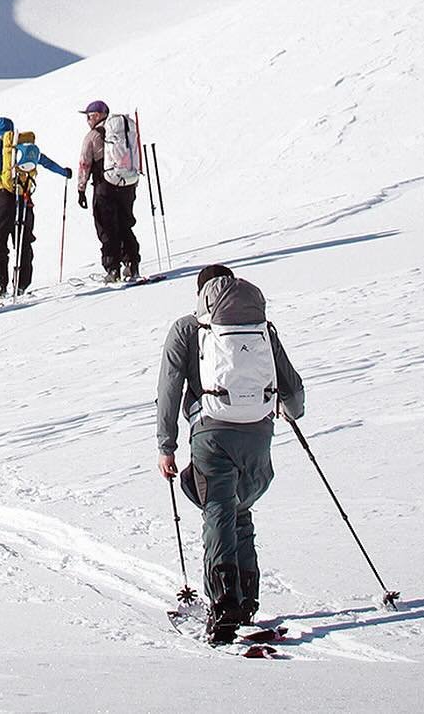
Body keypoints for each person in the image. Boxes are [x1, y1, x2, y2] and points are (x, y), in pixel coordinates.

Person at [156, 265, 305, 644]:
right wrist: (290, 410)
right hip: (259, 431)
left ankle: (224, 605)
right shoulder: (259, 328)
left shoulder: (188, 329)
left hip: (213, 431)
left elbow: (170, 389)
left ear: (201, 293)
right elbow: (292, 386)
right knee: (239, 510)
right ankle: (247, 598)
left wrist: (166, 445)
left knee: (218, 510)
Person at [0, 117, 71, 296]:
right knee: (23, 241)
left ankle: (0, 285)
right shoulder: (24, 147)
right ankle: (21, 284)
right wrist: (64, 172)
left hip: (4, 197)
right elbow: (44, 161)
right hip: (25, 197)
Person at [76, 99, 141, 281]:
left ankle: (112, 269)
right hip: (127, 184)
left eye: (89, 117)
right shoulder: (124, 132)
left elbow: (84, 163)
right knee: (125, 225)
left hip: (104, 187)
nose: (88, 121)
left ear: (97, 115)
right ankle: (132, 264)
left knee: (107, 228)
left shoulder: (93, 136)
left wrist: (81, 189)